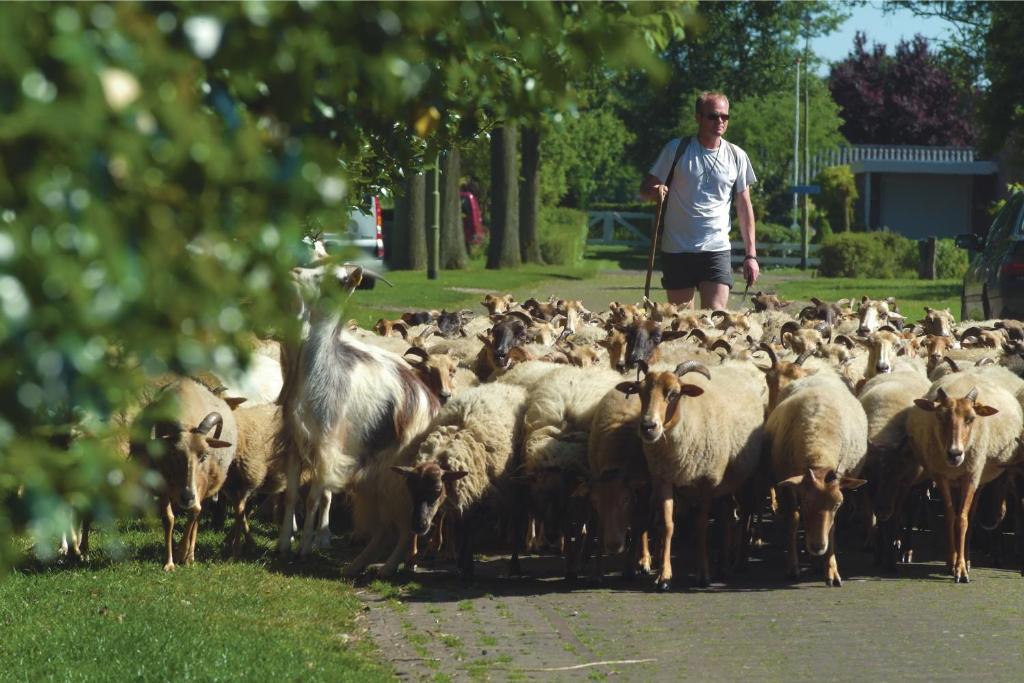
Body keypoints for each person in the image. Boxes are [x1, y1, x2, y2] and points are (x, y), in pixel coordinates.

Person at [640, 91, 758, 310]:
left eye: (725, 117)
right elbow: (645, 189)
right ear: (698, 117)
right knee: (683, 322)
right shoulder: (676, 149)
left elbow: (744, 207)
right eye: (713, 116)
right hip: (677, 249)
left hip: (716, 248)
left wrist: (751, 256)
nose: (720, 121)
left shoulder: (736, 155)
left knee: (715, 317)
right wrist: (656, 191)